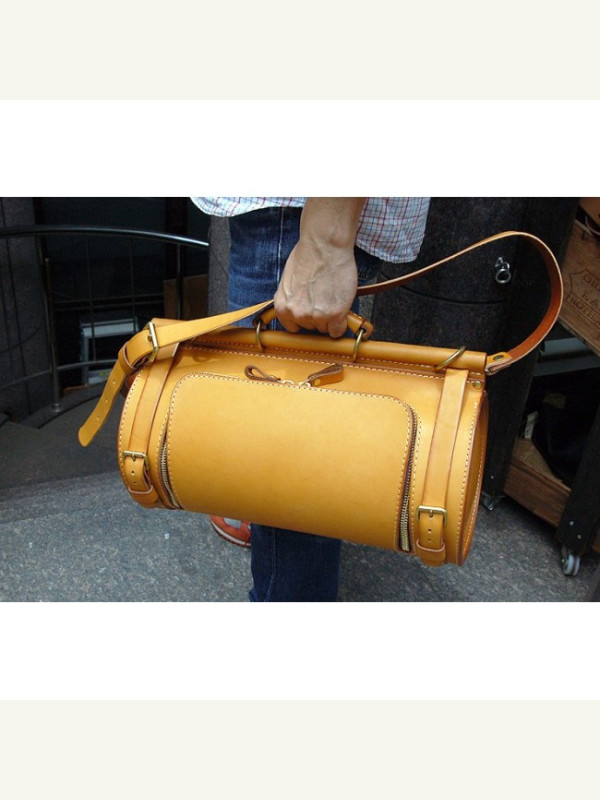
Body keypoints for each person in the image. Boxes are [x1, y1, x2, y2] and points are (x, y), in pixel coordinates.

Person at [190, 197, 430, 601]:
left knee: (292, 464)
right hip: (305, 218)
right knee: (291, 447)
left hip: (300, 217)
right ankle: (263, 516)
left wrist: (325, 243)